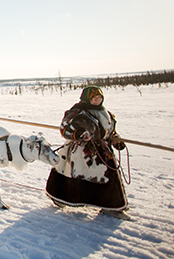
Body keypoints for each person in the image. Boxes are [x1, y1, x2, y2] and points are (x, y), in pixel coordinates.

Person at [45, 86, 129, 218]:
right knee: (72, 174)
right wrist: (79, 134)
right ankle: (60, 198)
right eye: (94, 98)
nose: (97, 101)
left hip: (102, 150)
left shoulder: (105, 113)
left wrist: (115, 139)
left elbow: (109, 130)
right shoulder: (77, 111)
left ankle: (110, 206)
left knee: (107, 176)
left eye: (99, 98)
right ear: (87, 98)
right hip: (81, 152)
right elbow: (65, 128)